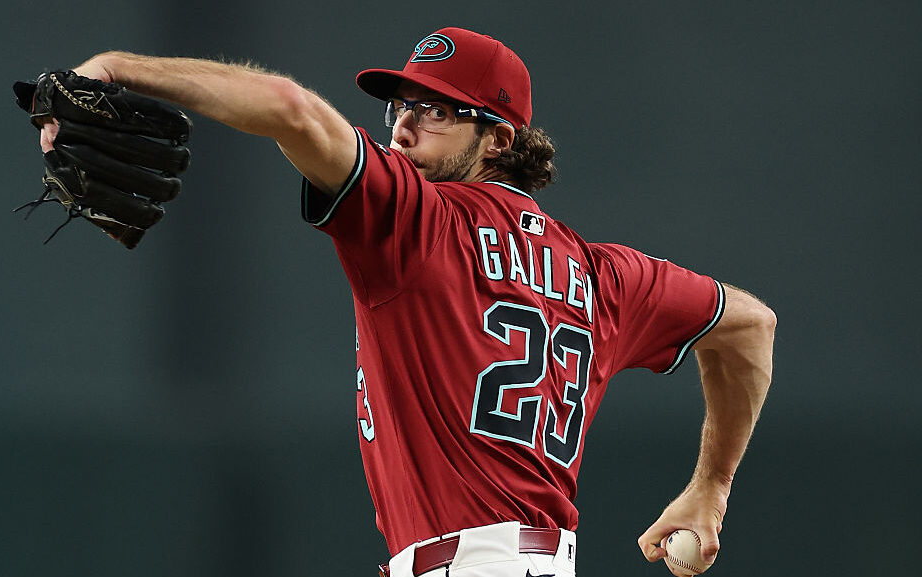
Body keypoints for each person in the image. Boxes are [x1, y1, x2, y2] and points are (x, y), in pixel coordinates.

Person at [37, 27, 775, 577]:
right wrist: (711, 489)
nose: (403, 126)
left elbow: (292, 109)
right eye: (401, 105)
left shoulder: (419, 221)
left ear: (499, 138)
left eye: (436, 110)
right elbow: (749, 326)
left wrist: (114, 69)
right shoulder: (603, 277)